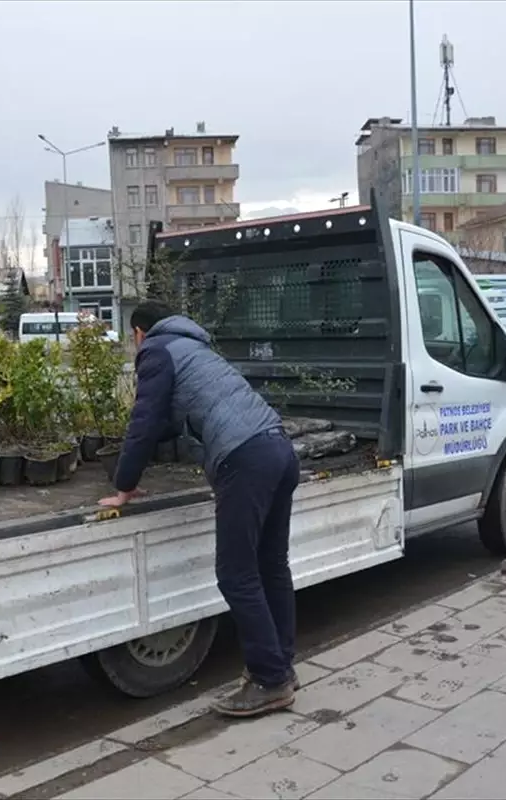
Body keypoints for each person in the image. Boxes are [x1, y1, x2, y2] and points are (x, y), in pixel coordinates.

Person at [98, 300, 301, 718]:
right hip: (278, 447)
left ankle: (271, 681)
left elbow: (145, 420)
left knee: (236, 574)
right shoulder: (196, 348)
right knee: (271, 566)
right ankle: (281, 667)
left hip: (244, 459)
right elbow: (177, 418)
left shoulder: (156, 351)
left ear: (139, 333)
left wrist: (124, 484)